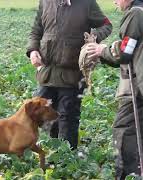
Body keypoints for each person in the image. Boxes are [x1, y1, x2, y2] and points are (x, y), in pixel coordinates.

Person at [85, 0, 143, 179]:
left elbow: (126, 50)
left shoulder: (136, 14)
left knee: (125, 133)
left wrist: (103, 50)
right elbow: (129, 49)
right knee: (140, 138)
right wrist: (105, 53)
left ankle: (128, 176)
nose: (114, 1)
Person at [26, 0, 112, 150]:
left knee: (67, 118)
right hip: (47, 72)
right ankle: (51, 151)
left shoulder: (87, 3)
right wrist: (33, 50)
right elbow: (36, 30)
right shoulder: (46, 2)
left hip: (72, 73)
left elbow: (106, 25)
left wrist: (93, 37)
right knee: (44, 115)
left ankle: (67, 156)